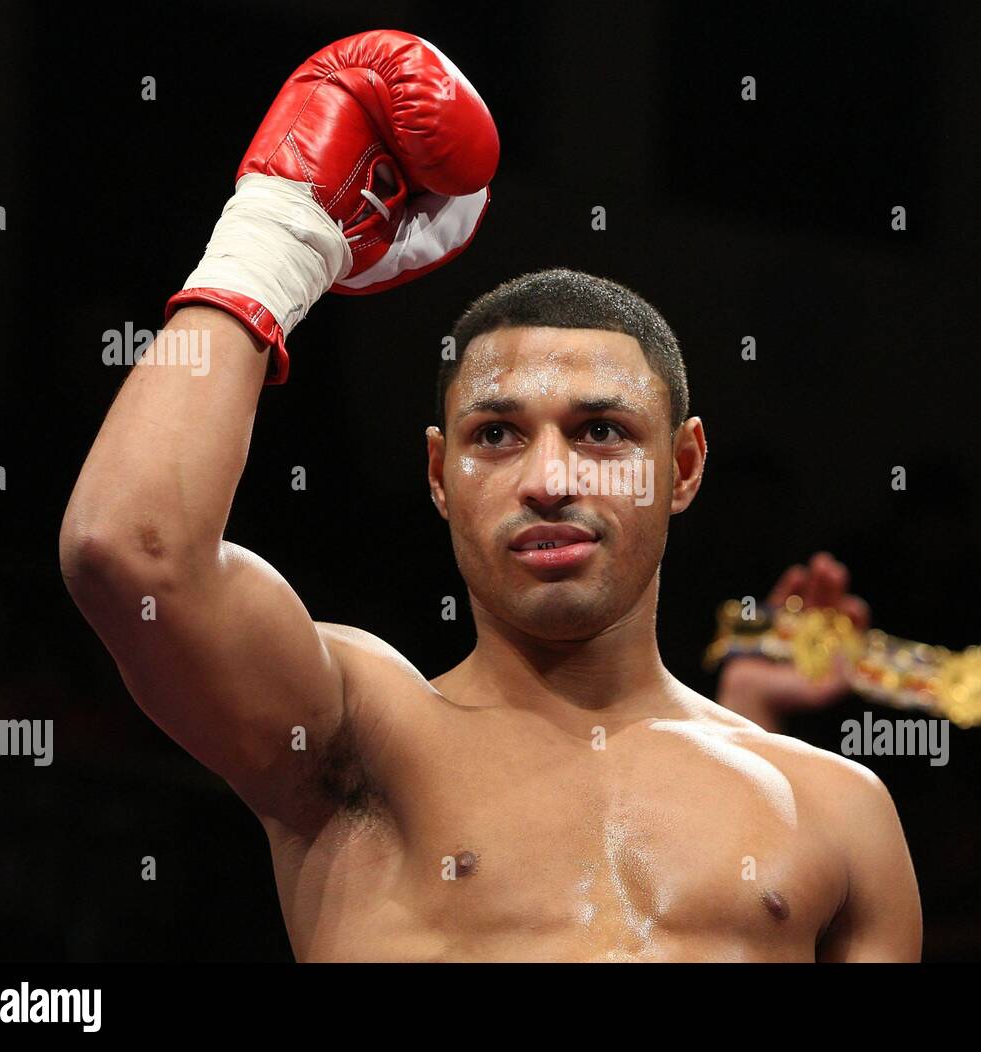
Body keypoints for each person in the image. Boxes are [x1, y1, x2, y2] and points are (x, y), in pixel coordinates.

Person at [59, 30, 921, 962]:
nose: (549, 481)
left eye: (600, 431)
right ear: (439, 475)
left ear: (682, 467)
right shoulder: (363, 740)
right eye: (496, 436)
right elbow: (129, 551)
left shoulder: (837, 813)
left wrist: (748, 708)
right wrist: (277, 235)